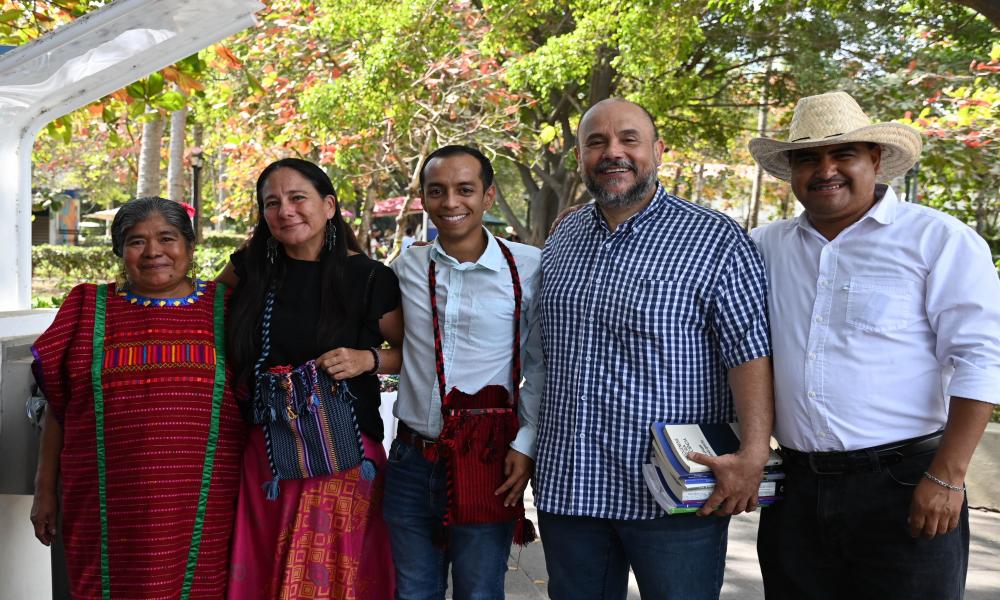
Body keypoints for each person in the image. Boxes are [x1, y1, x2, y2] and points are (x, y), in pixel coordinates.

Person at [748, 90, 1000, 599]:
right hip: (796, 492)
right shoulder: (764, 247)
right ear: (792, 171)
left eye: (843, 154)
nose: (826, 170)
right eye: (808, 158)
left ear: (876, 160)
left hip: (905, 485)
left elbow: (982, 357)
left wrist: (948, 477)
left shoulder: (937, 240)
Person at [533, 98, 774, 600]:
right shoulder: (563, 238)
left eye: (629, 139)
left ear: (658, 151)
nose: (612, 152)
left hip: (674, 494)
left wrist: (752, 455)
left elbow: (749, 353)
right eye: (596, 142)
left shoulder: (715, 239)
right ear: (579, 157)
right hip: (571, 484)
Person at [30, 197, 245, 599]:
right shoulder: (87, 307)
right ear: (119, 251)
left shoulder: (227, 309)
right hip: (103, 507)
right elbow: (59, 408)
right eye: (136, 241)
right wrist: (44, 490)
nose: (153, 252)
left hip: (205, 505)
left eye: (167, 238)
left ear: (190, 246)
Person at [220, 157, 402, 599]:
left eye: (298, 197)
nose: (285, 210)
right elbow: (198, 315)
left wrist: (367, 360)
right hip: (266, 458)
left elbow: (413, 354)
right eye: (272, 203)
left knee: (329, 578)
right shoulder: (248, 270)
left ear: (329, 206)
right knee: (265, 574)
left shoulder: (368, 277)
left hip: (341, 456)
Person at [385, 145, 543, 600]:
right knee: (412, 592)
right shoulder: (407, 267)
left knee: (479, 592)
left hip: (487, 458)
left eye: (465, 189)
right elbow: (395, 343)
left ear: (488, 196)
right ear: (423, 199)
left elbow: (541, 365)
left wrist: (526, 444)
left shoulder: (528, 267)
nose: (451, 202)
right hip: (412, 458)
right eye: (437, 191)